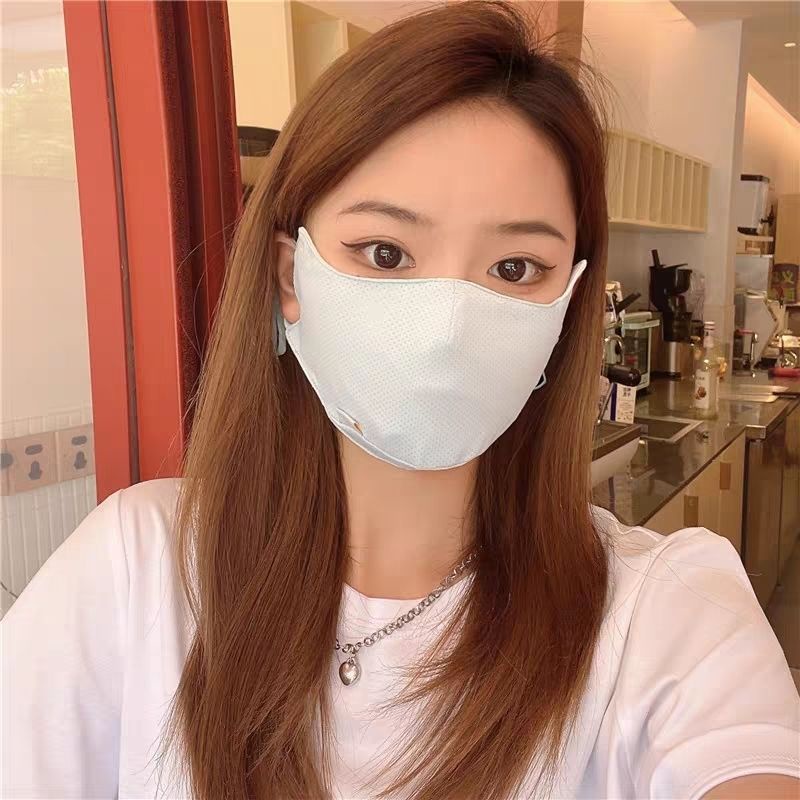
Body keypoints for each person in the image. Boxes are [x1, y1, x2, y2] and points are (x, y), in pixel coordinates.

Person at [3, 2, 799, 798]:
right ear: (290, 277)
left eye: (515, 268)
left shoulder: (663, 613)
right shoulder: (137, 569)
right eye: (385, 253)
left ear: (565, 308)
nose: (447, 328)